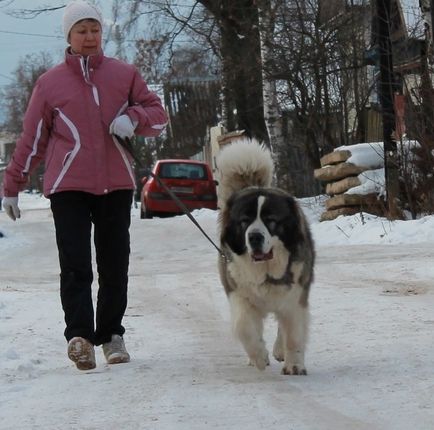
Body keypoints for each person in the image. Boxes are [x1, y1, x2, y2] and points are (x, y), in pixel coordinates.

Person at [1, 0, 167, 370]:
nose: (89, 37)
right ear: (69, 37)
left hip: (116, 184)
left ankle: (110, 336)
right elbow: (32, 140)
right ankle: (79, 337)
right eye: (82, 30)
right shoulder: (49, 84)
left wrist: (132, 118)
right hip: (68, 187)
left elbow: (158, 116)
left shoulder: (124, 75)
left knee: (114, 263)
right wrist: (12, 185)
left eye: (94, 29)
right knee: (75, 265)